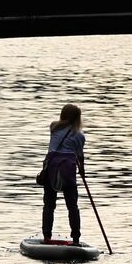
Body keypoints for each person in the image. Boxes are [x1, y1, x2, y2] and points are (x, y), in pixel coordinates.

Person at [41, 103, 86, 245]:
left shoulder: (53, 127)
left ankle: (47, 237)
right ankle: (76, 239)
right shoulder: (79, 136)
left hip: (51, 170)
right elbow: (80, 156)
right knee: (72, 206)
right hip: (68, 172)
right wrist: (83, 172)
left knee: (49, 205)